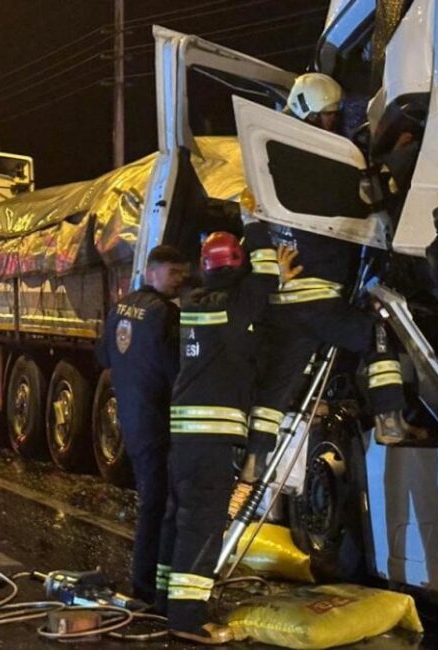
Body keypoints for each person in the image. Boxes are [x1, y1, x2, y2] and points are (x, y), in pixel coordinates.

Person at [243, 72, 425, 483]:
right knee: (379, 334)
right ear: (309, 112)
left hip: (282, 303)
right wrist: (399, 158)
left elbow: (256, 226)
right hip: (321, 301)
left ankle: (255, 461)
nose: (333, 121)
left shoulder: (273, 165)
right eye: (327, 115)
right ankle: (390, 421)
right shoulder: (322, 166)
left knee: (275, 387)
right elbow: (369, 194)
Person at [155, 218, 299, 644]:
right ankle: (186, 619)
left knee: (178, 520)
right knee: (203, 524)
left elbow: (259, 292)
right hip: (212, 440)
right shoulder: (239, 303)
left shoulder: (194, 300)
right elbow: (267, 274)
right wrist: (254, 221)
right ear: (238, 263)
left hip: (184, 438)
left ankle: (164, 600)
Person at [95, 245, 189, 604]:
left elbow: (103, 356)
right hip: (158, 420)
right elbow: (176, 373)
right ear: (151, 273)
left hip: (132, 417)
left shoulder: (121, 306)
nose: (180, 280)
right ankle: (147, 585)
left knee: (151, 499)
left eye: (182, 272)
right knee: (158, 504)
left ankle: (145, 580)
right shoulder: (166, 315)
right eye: (173, 273)